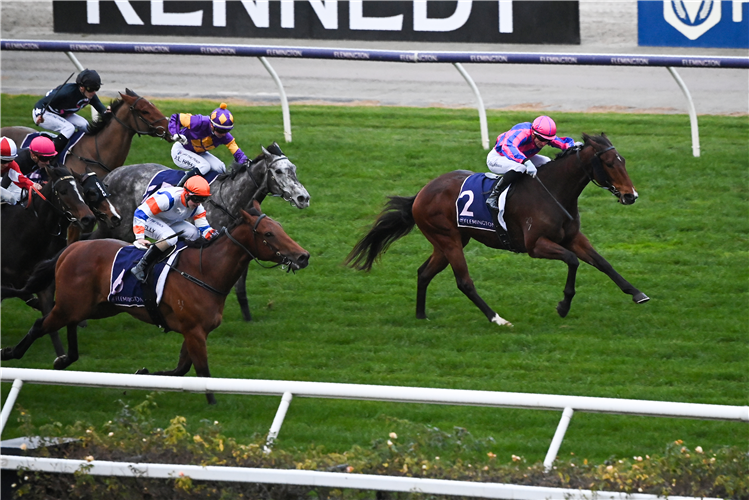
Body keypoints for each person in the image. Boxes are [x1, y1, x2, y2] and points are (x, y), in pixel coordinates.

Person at [130, 175, 219, 283]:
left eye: (202, 199)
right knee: (170, 238)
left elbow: (204, 227)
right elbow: (140, 213)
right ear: (186, 194)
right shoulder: (168, 199)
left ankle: (179, 261)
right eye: (196, 199)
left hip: (169, 221)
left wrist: (212, 234)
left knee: (194, 234)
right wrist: (139, 237)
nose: (198, 203)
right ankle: (141, 266)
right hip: (149, 220)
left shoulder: (197, 207)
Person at [485, 115, 576, 211]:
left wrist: (573, 146)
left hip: (521, 157)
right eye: (541, 139)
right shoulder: (522, 132)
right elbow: (508, 146)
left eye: (547, 141)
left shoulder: (543, 135)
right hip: (499, 157)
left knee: (547, 162)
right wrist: (525, 161)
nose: (544, 143)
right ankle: (494, 196)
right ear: (533, 133)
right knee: (520, 168)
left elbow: (562, 142)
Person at [168, 102, 250, 187]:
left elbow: (238, 154)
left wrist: (246, 162)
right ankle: (179, 188)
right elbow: (176, 117)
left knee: (220, 168)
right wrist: (175, 133)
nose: (224, 134)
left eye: (227, 131)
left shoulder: (225, 137)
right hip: (181, 150)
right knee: (204, 166)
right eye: (221, 131)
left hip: (199, 153)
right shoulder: (199, 121)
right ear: (211, 125)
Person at [32, 69, 107, 155]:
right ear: (82, 88)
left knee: (85, 125)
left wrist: (110, 112)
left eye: (96, 89)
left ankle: (78, 149)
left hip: (62, 114)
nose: (94, 92)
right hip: (44, 114)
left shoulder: (90, 95)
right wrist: (39, 115)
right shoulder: (66, 92)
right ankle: (50, 155)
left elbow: (101, 109)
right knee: (69, 128)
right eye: (91, 89)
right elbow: (41, 103)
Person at [0, 137, 42, 205]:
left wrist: (32, 185)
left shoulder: (12, 164)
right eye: (3, 161)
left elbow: (18, 178)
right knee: (8, 197)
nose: (6, 165)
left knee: (11, 199)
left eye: (9, 161)